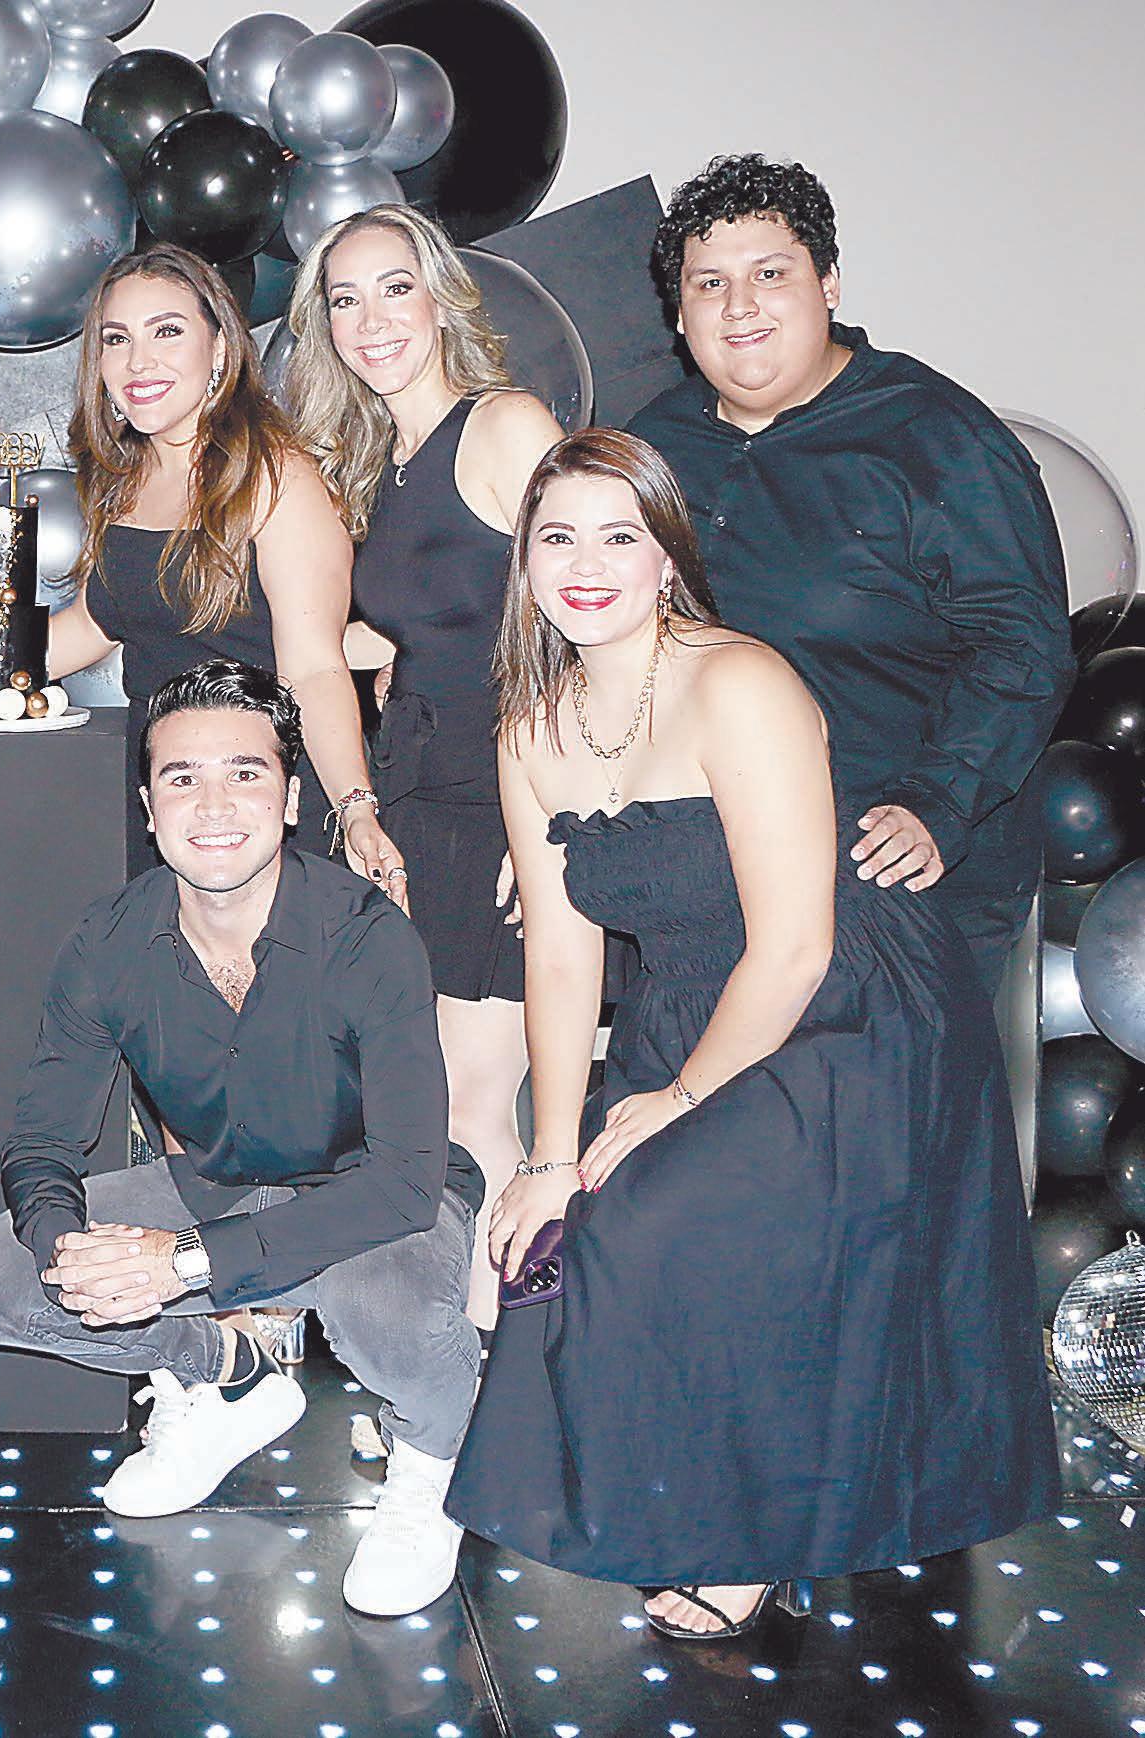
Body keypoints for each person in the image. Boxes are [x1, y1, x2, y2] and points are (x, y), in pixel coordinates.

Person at [445, 429, 1056, 1638]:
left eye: (618, 536)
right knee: (575, 1227)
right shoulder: (529, 723)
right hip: (687, 1008)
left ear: (667, 558)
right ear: (521, 563)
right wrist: (547, 1154)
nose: (585, 565)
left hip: (853, 1011)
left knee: (678, 1219)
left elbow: (792, 947)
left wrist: (675, 1101)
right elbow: (558, 957)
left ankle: (747, 1532)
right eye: (556, 538)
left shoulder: (738, 681)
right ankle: (696, 1495)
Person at [0, 658, 482, 1619]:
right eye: (181, 777)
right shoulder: (107, 941)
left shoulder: (366, 935)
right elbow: (40, 1143)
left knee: (383, 1309)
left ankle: (427, 1469)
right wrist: (76, 1253)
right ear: (148, 808)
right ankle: (230, 1377)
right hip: (220, 1186)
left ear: (291, 799)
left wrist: (183, 1263)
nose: (212, 806)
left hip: (375, 1197)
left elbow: (407, 1181)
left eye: (245, 773)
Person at [626, 155, 1070, 989]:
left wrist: (937, 803)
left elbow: (1022, 646)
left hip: (893, 871)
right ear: (678, 314)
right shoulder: (649, 447)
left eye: (770, 274)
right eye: (709, 284)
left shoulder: (936, 438)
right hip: (711, 874)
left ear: (827, 284)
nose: (739, 306)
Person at [0, 244, 403, 891]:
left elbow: (314, 667)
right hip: (163, 783)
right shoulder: (124, 479)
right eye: (116, 339)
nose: (138, 361)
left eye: (166, 331)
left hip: (260, 786)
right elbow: (92, 625)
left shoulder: (276, 477)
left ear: (219, 348)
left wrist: (354, 807)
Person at [286, 204, 565, 1325]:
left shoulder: (503, 425)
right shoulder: (382, 462)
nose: (370, 320)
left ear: (440, 296)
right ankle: (454, 1359)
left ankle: (495, 1368)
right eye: (343, 300)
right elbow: (436, 619)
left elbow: (607, 612)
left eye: (393, 288)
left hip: (502, 801)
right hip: (416, 792)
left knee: (473, 1111)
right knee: (416, 1109)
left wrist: (554, 822)